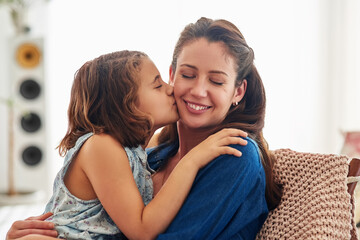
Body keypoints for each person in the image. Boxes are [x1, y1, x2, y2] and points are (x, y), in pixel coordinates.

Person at [7, 17, 282, 240]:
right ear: (173, 75)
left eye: (217, 81)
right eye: (187, 75)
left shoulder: (235, 155)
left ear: (238, 91)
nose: (198, 90)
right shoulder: (149, 157)